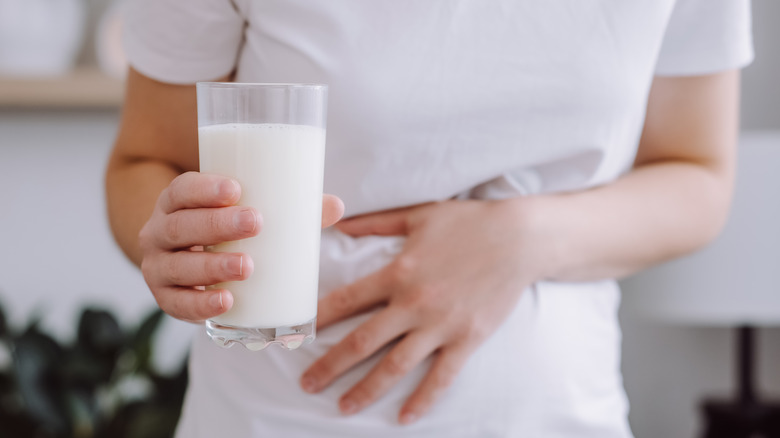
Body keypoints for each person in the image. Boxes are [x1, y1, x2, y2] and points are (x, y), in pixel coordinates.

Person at [105, 1, 753, 437]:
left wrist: (519, 240)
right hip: (280, 414)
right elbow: (145, 161)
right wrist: (176, 246)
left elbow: (697, 176)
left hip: (558, 415)